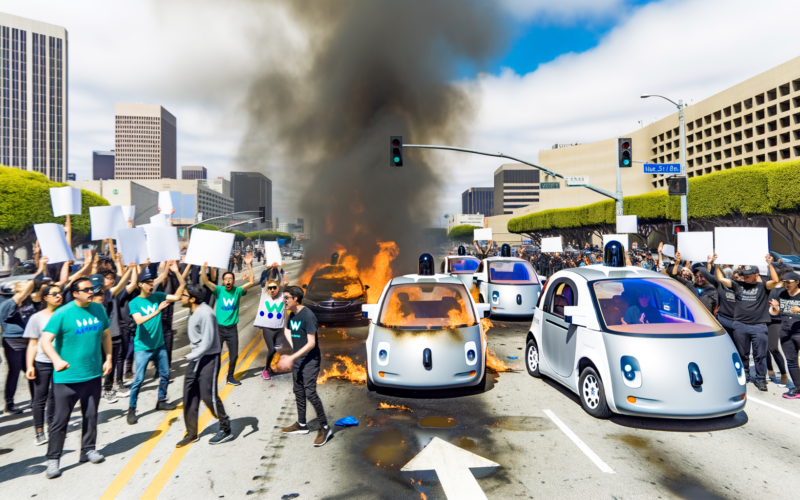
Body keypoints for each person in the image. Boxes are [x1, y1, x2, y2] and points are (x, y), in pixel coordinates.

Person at [39, 277, 113, 479]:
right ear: (75, 293)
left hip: (93, 375)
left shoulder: (98, 309)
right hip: (67, 378)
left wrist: (108, 358)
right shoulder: (63, 313)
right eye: (87, 289)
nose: (92, 292)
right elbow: (45, 341)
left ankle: (88, 450)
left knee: (91, 415)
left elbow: (106, 335)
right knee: (60, 421)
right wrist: (56, 360)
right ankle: (53, 459)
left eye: (93, 289)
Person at [126, 262, 185, 425]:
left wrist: (178, 274)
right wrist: (157, 310)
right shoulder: (135, 303)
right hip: (142, 348)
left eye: (152, 282)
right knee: (139, 380)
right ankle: (131, 409)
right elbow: (139, 321)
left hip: (159, 346)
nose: (152, 285)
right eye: (148, 283)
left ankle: (161, 401)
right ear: (140, 285)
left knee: (165, 374)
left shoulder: (158, 296)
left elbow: (178, 295)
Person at [176, 283, 233, 447]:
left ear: (192, 299)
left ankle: (225, 427)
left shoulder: (206, 313)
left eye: (184, 295)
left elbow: (207, 343)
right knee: (189, 393)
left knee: (208, 395)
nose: (181, 297)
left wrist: (189, 356)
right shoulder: (193, 309)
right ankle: (192, 432)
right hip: (196, 357)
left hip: (209, 357)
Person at [276, 286, 332, 447]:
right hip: (299, 358)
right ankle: (301, 424)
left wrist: (292, 356)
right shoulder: (291, 314)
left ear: (296, 298)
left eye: (286, 297)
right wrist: (294, 348)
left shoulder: (308, 316)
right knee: (298, 390)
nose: (284, 300)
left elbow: (312, 342)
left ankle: (325, 428)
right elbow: (287, 330)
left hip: (310, 361)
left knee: (310, 393)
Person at [715, 254, 779, 391]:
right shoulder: (738, 285)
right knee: (742, 353)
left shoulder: (763, 286)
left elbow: (775, 280)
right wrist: (716, 264)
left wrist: (769, 264)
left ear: (756, 275)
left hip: (759, 326)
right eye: (744, 275)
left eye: (748, 275)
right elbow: (720, 278)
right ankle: (745, 375)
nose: (745, 277)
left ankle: (761, 379)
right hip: (740, 325)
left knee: (760, 354)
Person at [201, 255, 255, 386]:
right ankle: (211, 377)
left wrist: (249, 265)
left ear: (233, 281)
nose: (228, 280)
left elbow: (252, 282)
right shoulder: (218, 290)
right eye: (226, 279)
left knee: (234, 355)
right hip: (219, 329)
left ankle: (230, 377)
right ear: (223, 281)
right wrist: (204, 269)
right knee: (215, 355)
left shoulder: (237, 291)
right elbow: (206, 282)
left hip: (232, 330)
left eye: (230, 278)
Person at [1, 256, 45, 414]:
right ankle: (9, 404)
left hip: (28, 340)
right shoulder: (6, 300)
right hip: (13, 341)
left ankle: (36, 402)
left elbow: (42, 288)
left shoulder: (29, 299)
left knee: (32, 370)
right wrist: (35, 273)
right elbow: (21, 296)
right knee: (14, 371)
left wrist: (41, 268)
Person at [23, 283, 62, 445]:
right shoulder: (36, 318)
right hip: (42, 363)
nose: (58, 296)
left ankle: (52, 425)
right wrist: (30, 365)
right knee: (40, 398)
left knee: (54, 396)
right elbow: (33, 344)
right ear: (45, 298)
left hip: (59, 363)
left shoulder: (64, 314)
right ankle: (39, 430)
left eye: (59, 293)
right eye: (54, 294)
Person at [254, 265, 289, 381]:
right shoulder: (264, 295)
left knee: (277, 349)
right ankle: (265, 370)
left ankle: (268, 367)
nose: (272, 290)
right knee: (271, 349)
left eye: (275, 288)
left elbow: (282, 280)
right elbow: (265, 278)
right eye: (270, 288)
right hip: (267, 328)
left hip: (279, 328)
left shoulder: (282, 295)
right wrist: (271, 268)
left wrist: (280, 272)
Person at [769, 272, 800, 399]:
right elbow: (775, 313)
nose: (786, 284)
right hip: (786, 331)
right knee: (791, 361)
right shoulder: (782, 294)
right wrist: (775, 307)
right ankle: (798, 388)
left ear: (797, 282)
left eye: (789, 282)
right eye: (784, 282)